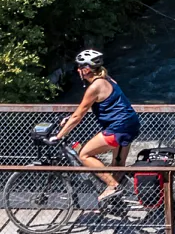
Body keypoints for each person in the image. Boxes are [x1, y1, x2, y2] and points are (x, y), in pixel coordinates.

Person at [53, 49, 141, 202]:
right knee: (118, 164)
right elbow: (87, 108)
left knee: (84, 155)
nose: (78, 70)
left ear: (86, 69)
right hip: (131, 124)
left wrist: (58, 136)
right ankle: (117, 202)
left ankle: (113, 187)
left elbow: (78, 116)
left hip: (117, 129)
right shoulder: (107, 78)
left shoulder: (94, 87)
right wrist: (70, 118)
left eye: (80, 67)